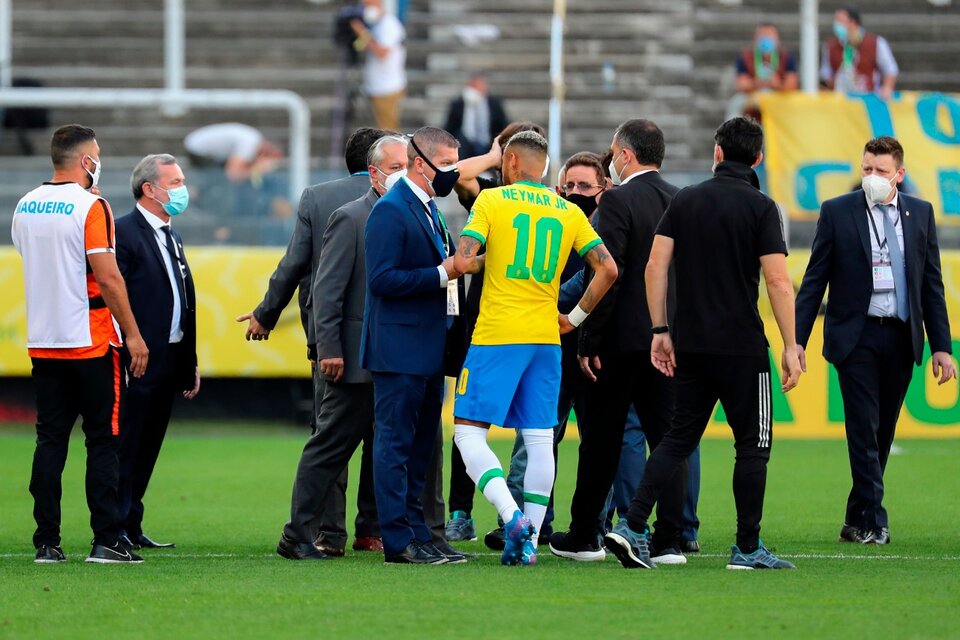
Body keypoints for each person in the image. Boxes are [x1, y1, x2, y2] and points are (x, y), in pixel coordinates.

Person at [604, 116, 802, 571]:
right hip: (742, 348)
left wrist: (660, 330)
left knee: (676, 440)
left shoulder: (686, 200)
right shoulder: (761, 207)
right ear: (758, 158)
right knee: (753, 445)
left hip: (690, 343)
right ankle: (747, 548)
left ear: (716, 152)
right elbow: (777, 280)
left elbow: (655, 266)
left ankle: (633, 526)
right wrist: (791, 344)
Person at [452, 131, 618, 565]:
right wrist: (575, 318)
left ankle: (512, 519)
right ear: (545, 167)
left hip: (497, 334)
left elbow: (465, 260)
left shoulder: (493, 201)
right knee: (541, 438)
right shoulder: (567, 210)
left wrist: (486, 260)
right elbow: (607, 269)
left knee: (468, 432)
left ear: (509, 162)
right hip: (547, 338)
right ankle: (529, 543)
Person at [795, 136, 955, 546]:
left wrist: (942, 346)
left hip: (902, 334)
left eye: (881, 171)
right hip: (856, 334)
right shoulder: (836, 212)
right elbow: (814, 281)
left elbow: (931, 283)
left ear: (899, 175)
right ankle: (876, 521)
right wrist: (796, 340)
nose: (872, 177)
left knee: (882, 432)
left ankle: (855, 517)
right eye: (867, 168)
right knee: (863, 428)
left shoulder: (920, 212)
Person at [237, 126, 386, 556]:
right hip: (388, 337)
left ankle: (329, 533)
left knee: (330, 434)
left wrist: (266, 314)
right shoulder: (404, 197)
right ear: (376, 164)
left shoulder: (317, 198)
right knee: (381, 435)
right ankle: (372, 530)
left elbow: (294, 264)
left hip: (330, 339)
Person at [550, 119, 688, 565]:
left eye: (613, 153)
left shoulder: (618, 201)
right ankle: (669, 540)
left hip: (619, 344)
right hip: (666, 340)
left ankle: (585, 535)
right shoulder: (681, 199)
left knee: (601, 441)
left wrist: (587, 337)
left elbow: (607, 273)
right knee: (668, 439)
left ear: (625, 156)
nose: (611, 159)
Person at [11, 124, 149, 564]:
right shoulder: (92, 206)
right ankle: (106, 538)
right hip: (90, 339)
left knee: (49, 441)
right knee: (103, 441)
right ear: (86, 159)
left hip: (44, 341)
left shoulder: (25, 205)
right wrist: (133, 333)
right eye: (98, 155)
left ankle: (47, 543)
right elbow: (107, 276)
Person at [277, 135, 409, 560]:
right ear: (374, 172)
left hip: (394, 357)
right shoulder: (350, 217)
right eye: (397, 165)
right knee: (329, 447)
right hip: (353, 359)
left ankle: (385, 530)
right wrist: (329, 347)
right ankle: (298, 534)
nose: (406, 171)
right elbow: (326, 290)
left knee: (390, 448)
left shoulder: (414, 213)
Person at [362, 126, 465, 565]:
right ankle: (398, 541)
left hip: (427, 347)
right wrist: (445, 272)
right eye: (446, 164)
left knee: (421, 448)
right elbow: (382, 279)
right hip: (399, 349)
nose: (453, 172)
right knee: (395, 445)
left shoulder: (427, 207)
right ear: (421, 163)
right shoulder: (391, 209)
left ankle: (420, 532)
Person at [115, 154, 201, 552]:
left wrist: (190, 361)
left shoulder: (172, 235)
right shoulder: (123, 233)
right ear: (150, 189)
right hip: (137, 359)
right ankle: (113, 526)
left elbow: (183, 300)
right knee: (127, 443)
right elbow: (114, 298)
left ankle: (132, 522)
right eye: (176, 181)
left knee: (149, 445)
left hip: (169, 358)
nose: (183, 188)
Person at [183, 122, 285, 218]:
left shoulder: (253, 139)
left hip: (200, 147)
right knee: (222, 183)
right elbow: (232, 174)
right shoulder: (250, 143)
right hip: (197, 149)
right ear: (269, 149)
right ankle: (197, 198)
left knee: (223, 183)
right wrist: (257, 170)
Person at [350, 0, 406, 131]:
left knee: (389, 132)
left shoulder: (389, 25)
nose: (365, 9)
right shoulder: (376, 25)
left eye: (369, 5)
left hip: (387, 87)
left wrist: (362, 33)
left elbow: (382, 52)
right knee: (380, 131)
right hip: (377, 86)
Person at [820, 6, 898, 99]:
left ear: (852, 22)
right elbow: (826, 74)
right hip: (841, 101)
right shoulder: (831, 46)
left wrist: (887, 87)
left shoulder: (875, 43)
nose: (836, 25)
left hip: (868, 100)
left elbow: (890, 69)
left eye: (840, 21)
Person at [727, 23, 799, 120]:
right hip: (753, 96)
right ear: (756, 39)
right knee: (736, 102)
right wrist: (756, 83)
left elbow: (792, 84)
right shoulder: (746, 57)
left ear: (777, 40)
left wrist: (778, 85)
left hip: (777, 96)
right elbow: (741, 84)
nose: (766, 40)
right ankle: (732, 132)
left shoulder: (786, 57)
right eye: (762, 36)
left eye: (769, 36)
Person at [444, 73, 509, 159]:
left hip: (488, 144)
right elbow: (450, 127)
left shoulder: (494, 104)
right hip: (464, 146)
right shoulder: (458, 104)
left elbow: (502, 125)